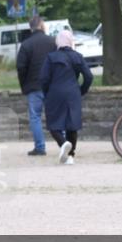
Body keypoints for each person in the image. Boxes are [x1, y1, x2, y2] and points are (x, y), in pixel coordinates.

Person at [40, 30, 93, 165]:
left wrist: (47, 93)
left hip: (55, 93)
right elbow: (89, 76)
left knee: (53, 124)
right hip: (73, 94)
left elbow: (44, 79)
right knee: (72, 125)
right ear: (70, 41)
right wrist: (81, 90)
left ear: (58, 41)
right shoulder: (78, 57)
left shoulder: (51, 57)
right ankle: (70, 156)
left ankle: (63, 143)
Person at [16, 15, 56, 156]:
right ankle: (64, 143)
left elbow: (21, 67)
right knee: (57, 115)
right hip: (51, 85)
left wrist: (24, 85)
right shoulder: (52, 42)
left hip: (33, 86)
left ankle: (40, 147)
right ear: (40, 25)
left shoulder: (26, 44)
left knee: (35, 117)